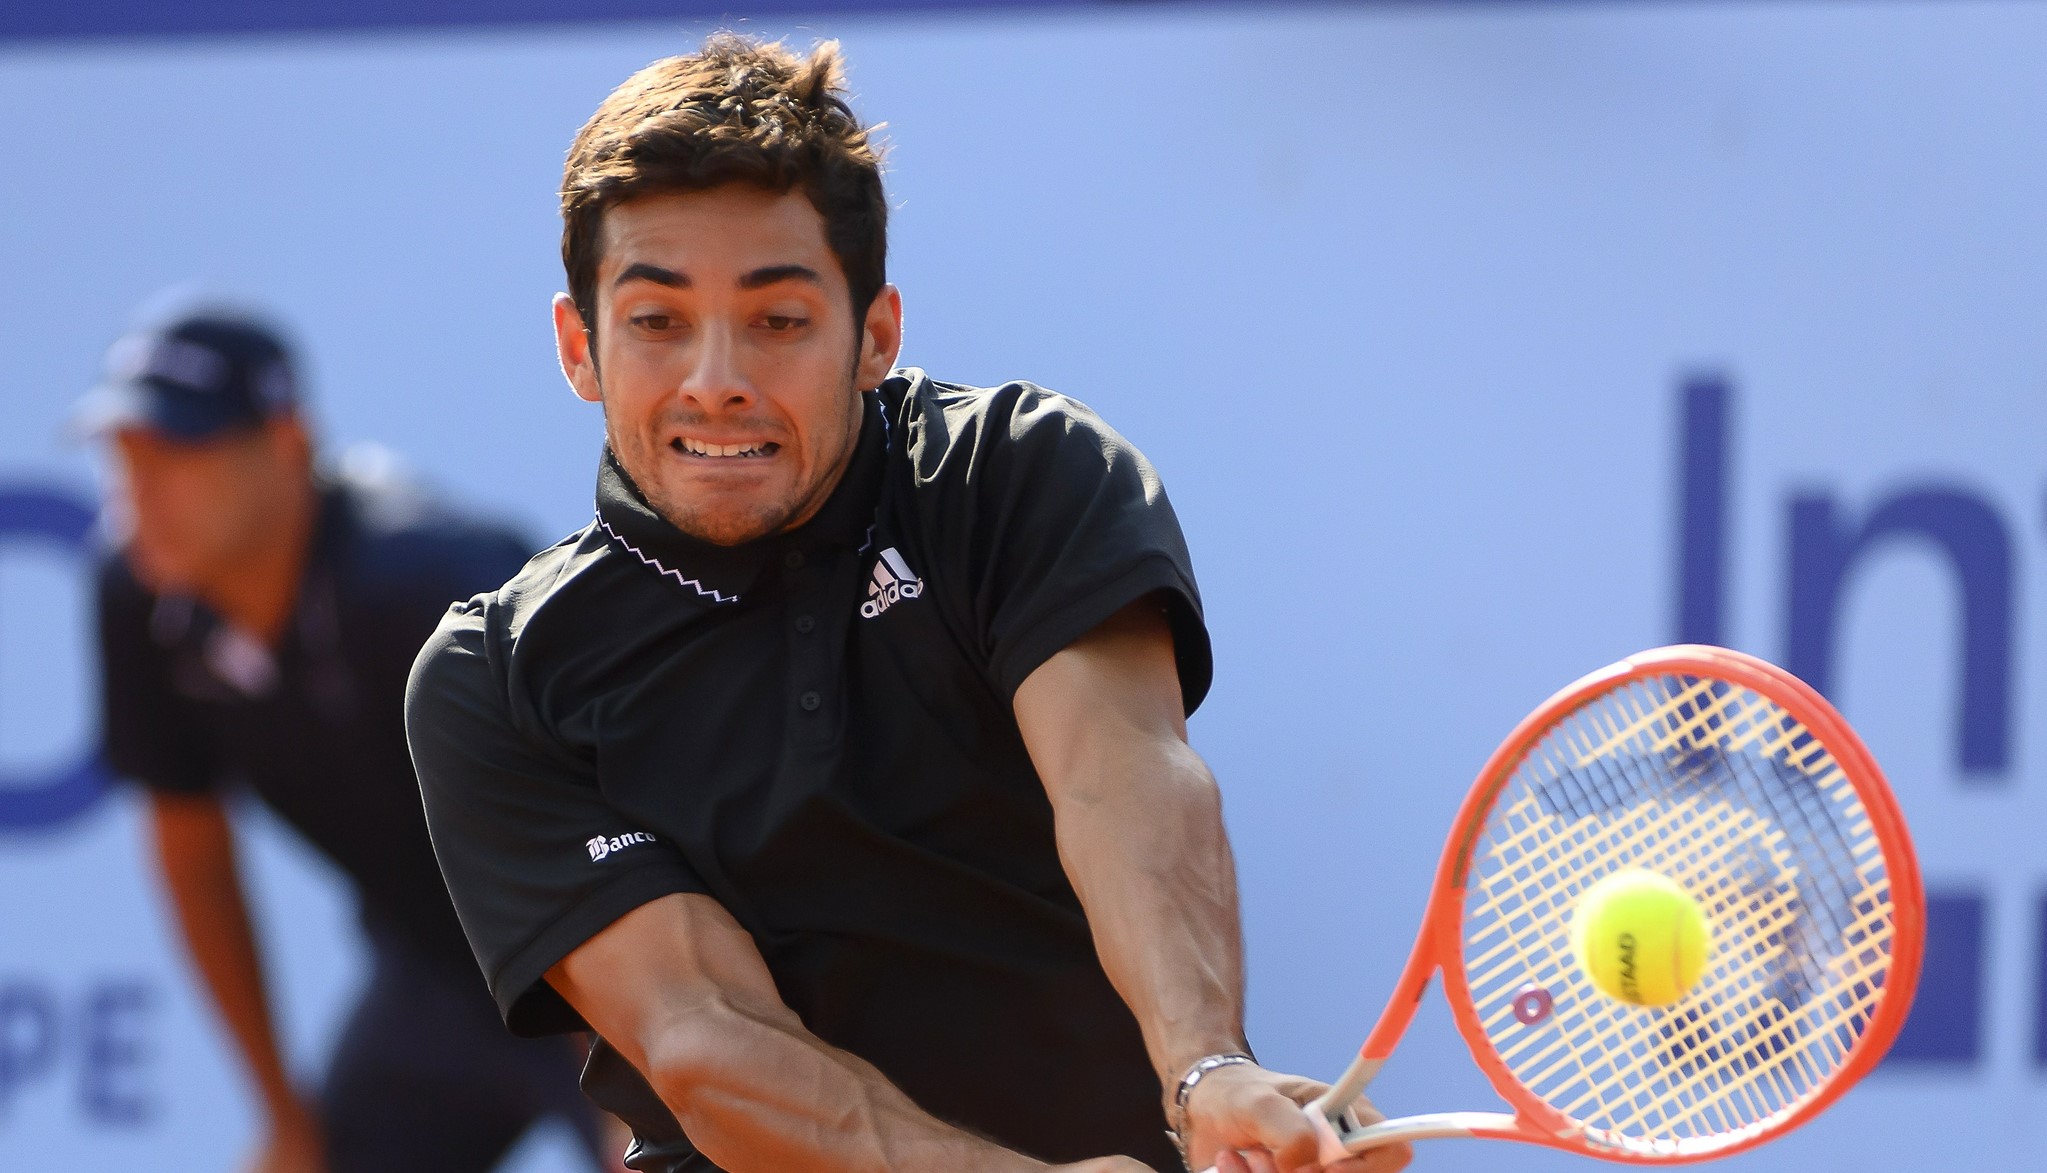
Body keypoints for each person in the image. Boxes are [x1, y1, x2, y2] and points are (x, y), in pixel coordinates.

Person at [405, 33, 1414, 1173]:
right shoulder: (495, 678)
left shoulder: (1017, 473)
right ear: (579, 346)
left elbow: (1120, 777)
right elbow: (704, 1038)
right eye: (657, 321)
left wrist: (1203, 1067)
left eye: (779, 319)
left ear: (874, 334)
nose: (716, 376)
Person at [83, 306, 616, 1173]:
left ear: (289, 441)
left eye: (179, 449)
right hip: (437, 980)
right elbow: (192, 853)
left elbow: (602, 835)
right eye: (126, 454)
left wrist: (635, 1075)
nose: (140, 489)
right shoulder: (137, 594)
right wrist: (283, 1117)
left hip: (612, 972)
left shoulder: (432, 587)